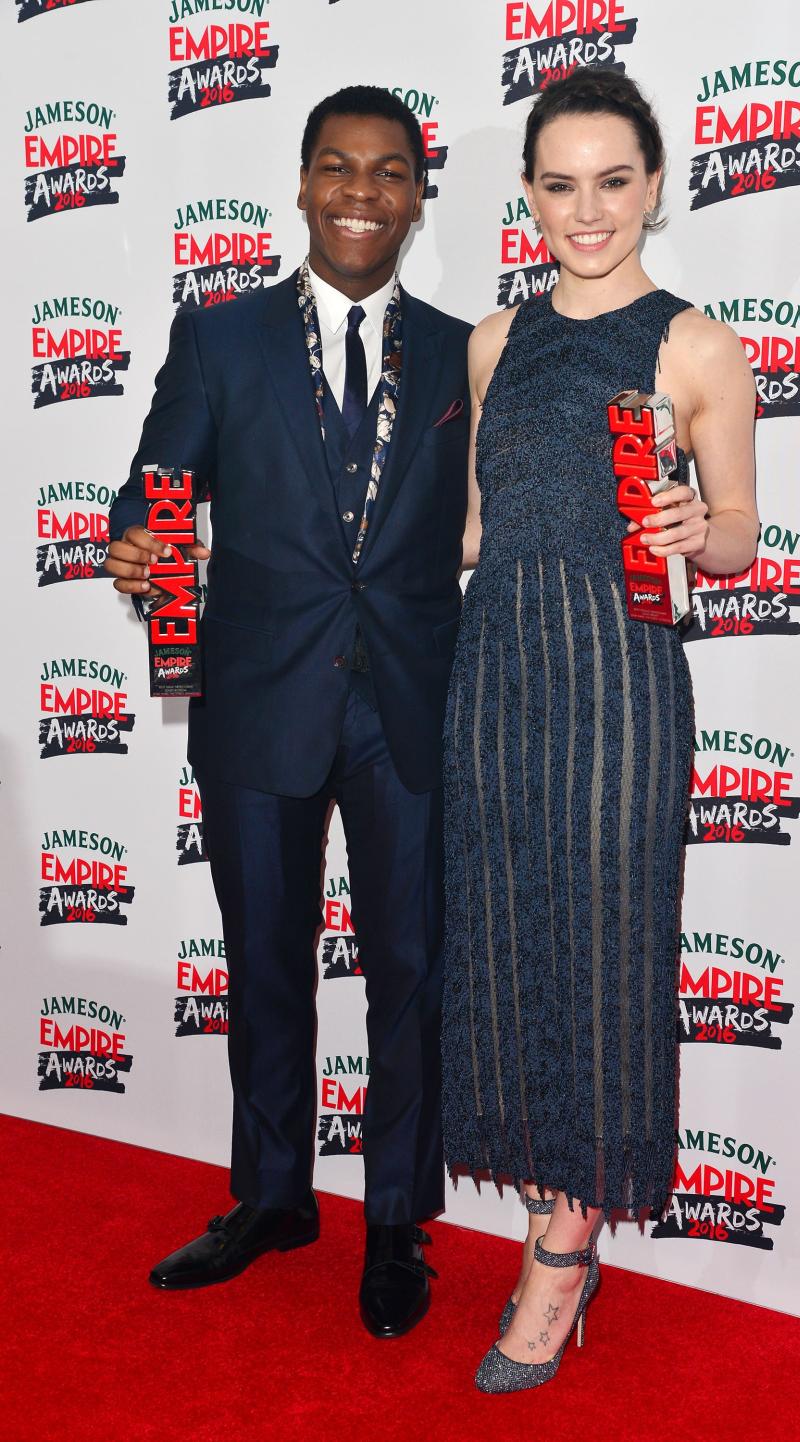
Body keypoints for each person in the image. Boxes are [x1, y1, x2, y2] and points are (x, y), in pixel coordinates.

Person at [106, 86, 470, 1339]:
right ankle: (270, 1197)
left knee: (410, 968)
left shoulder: (463, 349)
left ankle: (393, 1220)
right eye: (337, 167)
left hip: (413, 704)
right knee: (262, 961)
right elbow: (150, 495)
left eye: (388, 172)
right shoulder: (220, 336)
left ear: (419, 195)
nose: (361, 192)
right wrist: (139, 547)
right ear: (302, 182)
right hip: (259, 697)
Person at [441, 67, 759, 1392]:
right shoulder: (492, 341)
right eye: (561, 185)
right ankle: (547, 1194)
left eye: (614, 181)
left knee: (603, 952)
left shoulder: (697, 344)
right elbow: (468, 529)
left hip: (620, 689)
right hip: (495, 684)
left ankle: (563, 1248)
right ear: (527, 195)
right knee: (509, 945)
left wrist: (704, 530)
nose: (589, 211)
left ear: (655, 186)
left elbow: (740, 534)